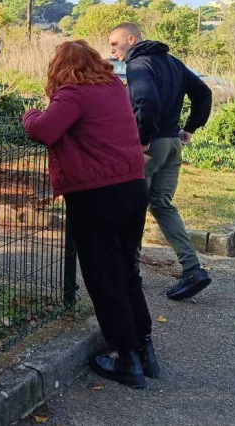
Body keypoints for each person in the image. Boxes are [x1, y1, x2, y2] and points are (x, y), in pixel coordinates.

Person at [22, 40, 154, 389]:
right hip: (133, 188)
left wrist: (30, 114)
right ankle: (145, 349)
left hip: (97, 195)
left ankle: (125, 358)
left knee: (103, 276)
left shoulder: (74, 92)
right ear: (95, 62)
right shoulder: (113, 87)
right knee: (127, 269)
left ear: (60, 67)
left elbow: (44, 129)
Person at [109, 22, 213, 301]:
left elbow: (146, 100)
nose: (112, 50)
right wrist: (190, 128)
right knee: (162, 205)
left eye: (115, 44)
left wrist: (142, 138)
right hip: (173, 145)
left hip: (151, 147)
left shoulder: (138, 64)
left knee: (133, 207)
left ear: (131, 39)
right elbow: (203, 92)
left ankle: (130, 272)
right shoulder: (173, 62)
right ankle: (193, 269)